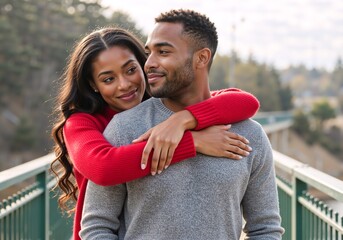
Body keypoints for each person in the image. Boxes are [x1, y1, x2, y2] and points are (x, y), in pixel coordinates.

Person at [80, 9, 284, 240]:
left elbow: (265, 229)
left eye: (163, 52)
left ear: (201, 58)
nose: (149, 64)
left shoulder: (250, 134)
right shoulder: (124, 128)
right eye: (149, 53)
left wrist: (183, 120)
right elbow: (97, 227)